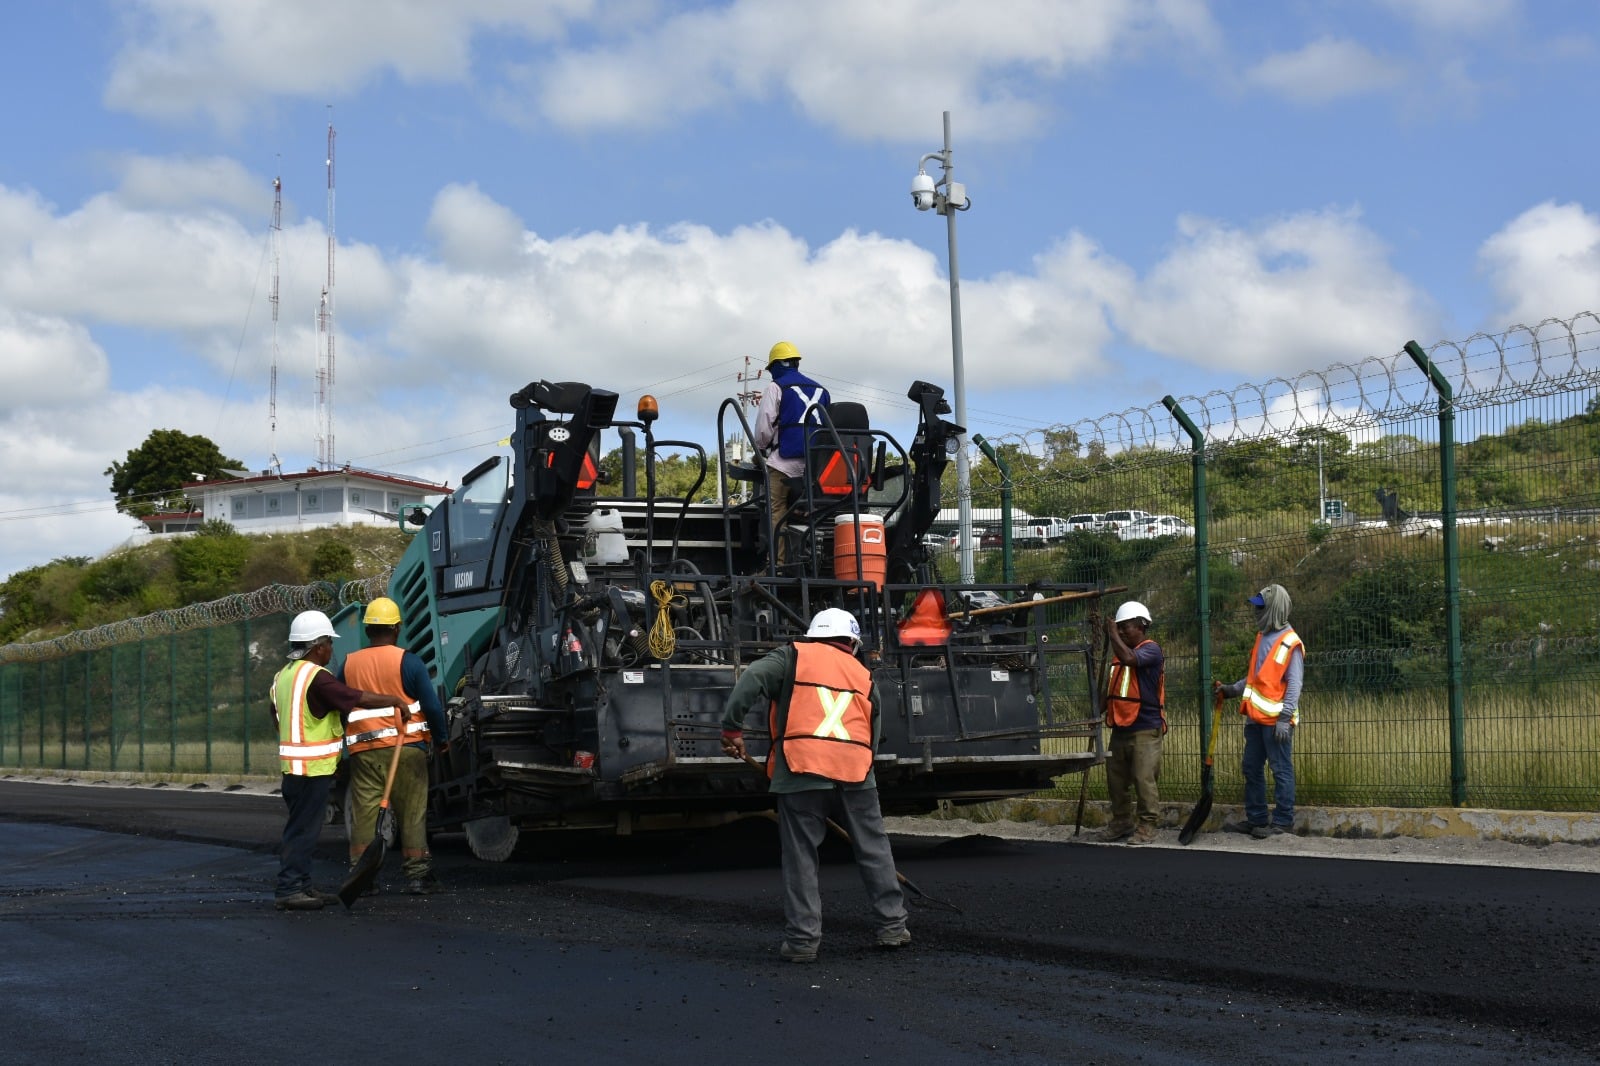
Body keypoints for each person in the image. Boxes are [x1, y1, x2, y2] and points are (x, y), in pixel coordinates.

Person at [720, 607, 909, 963]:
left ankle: (804, 941)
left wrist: (732, 730)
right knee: (874, 848)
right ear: (851, 642)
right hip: (856, 773)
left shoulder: (791, 656)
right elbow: (875, 730)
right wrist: (861, 767)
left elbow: (752, 679)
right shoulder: (862, 674)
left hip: (801, 769)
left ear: (814, 634)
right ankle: (893, 927)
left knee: (801, 856)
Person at [270, 609, 408, 911]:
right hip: (311, 770)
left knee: (300, 827)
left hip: (292, 769)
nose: (331, 650)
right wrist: (395, 700)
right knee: (303, 830)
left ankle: (302, 886)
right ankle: (290, 888)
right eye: (329, 644)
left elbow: (276, 716)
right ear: (317, 646)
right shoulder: (317, 677)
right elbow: (355, 697)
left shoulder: (283, 677)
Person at [336, 597, 450, 896]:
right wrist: (441, 740)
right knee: (412, 812)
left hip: (364, 752)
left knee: (365, 813)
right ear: (397, 628)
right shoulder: (408, 661)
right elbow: (432, 707)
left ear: (368, 630)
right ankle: (418, 875)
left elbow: (339, 705)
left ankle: (361, 874)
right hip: (406, 749)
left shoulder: (349, 663)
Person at [1216, 584, 1304, 839]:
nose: (1256, 612)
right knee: (1251, 767)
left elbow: (1295, 684)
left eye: (1260, 607)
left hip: (1277, 722)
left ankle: (1283, 822)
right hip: (1256, 720)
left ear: (1273, 609)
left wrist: (1285, 719)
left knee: (1281, 769)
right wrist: (1232, 689)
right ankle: (1256, 819)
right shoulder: (1262, 637)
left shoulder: (1290, 643)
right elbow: (1255, 677)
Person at [1095, 600, 1166, 845]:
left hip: (1145, 729)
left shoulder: (1150, 650)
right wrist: (1097, 709)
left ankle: (1147, 825)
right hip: (1120, 728)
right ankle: (1121, 822)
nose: (1123, 631)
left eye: (1127, 627)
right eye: (1120, 627)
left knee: (1143, 778)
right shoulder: (1118, 657)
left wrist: (1112, 633)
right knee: (1116, 781)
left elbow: (1129, 658)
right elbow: (1110, 689)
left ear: (1142, 627)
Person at [753, 340, 829, 565]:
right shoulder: (822, 390)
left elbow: (763, 429)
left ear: (776, 365)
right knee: (813, 510)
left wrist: (759, 450)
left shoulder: (776, 388)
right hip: (815, 468)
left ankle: (777, 564)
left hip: (783, 464)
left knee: (776, 510)